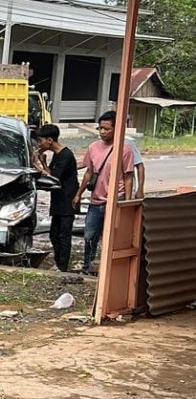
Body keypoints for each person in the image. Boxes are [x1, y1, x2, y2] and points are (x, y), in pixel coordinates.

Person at [73, 110, 135, 276]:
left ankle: (109, 271)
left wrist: (126, 203)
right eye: (100, 128)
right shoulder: (93, 147)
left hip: (116, 199)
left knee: (113, 237)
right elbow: (89, 172)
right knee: (89, 236)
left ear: (117, 129)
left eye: (106, 128)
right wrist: (79, 193)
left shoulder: (125, 150)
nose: (102, 132)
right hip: (96, 200)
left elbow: (129, 177)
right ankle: (88, 267)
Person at [33, 124, 79, 272]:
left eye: (41, 141)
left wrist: (35, 164)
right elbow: (51, 172)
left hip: (67, 200)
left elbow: (53, 178)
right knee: (54, 234)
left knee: (64, 235)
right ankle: (59, 263)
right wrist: (43, 162)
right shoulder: (58, 155)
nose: (40, 144)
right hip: (58, 199)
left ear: (50, 140)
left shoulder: (66, 155)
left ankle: (63, 266)